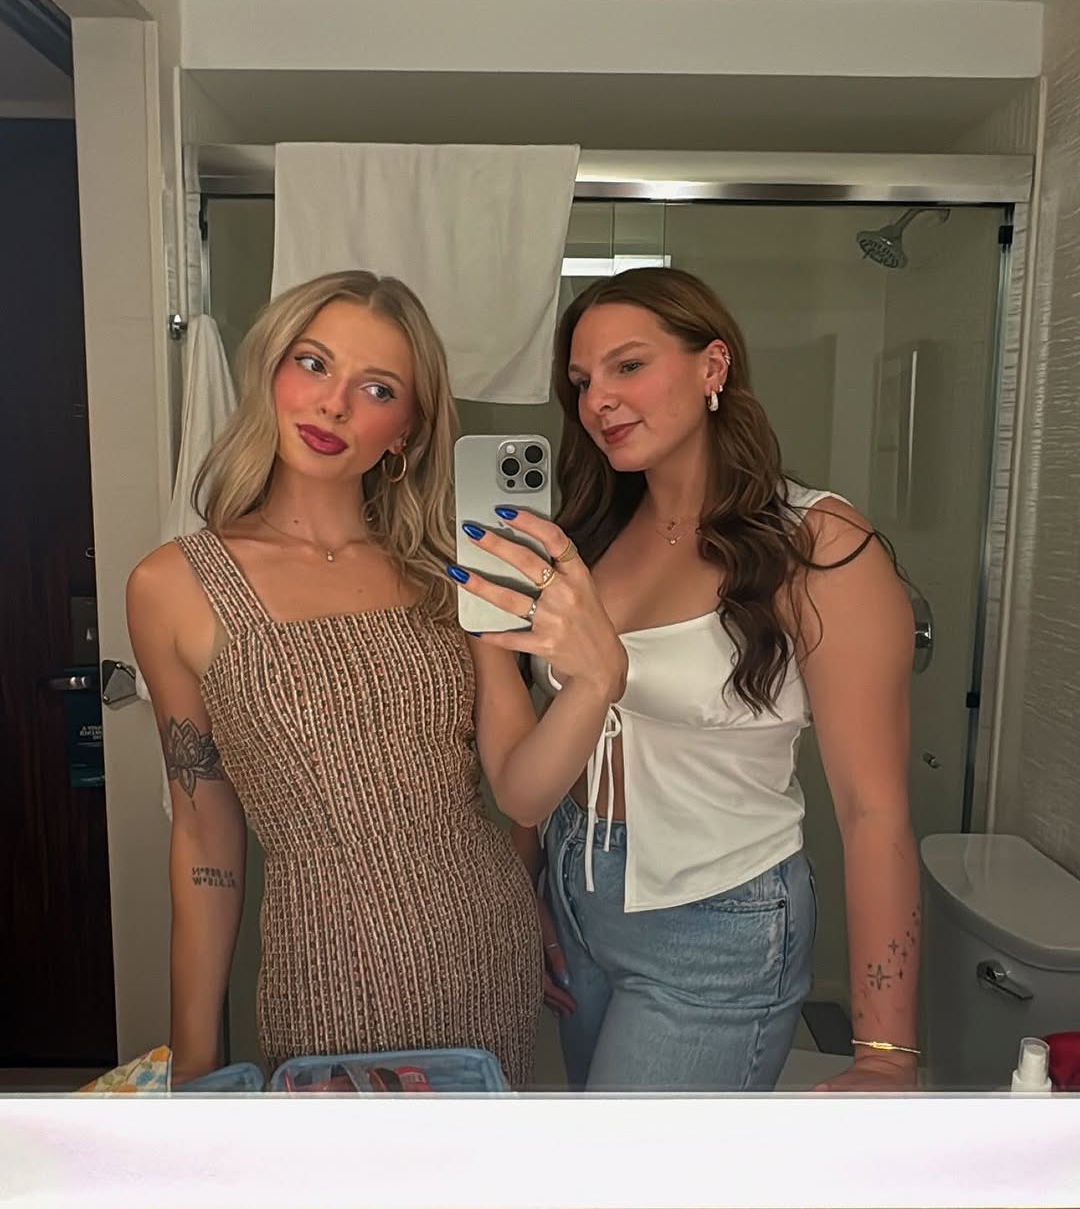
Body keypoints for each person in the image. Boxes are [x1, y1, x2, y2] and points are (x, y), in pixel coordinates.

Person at [126, 270, 626, 1089]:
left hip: (484, 950)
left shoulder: (449, 572)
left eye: (377, 388)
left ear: (406, 432)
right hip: (322, 967)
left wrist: (599, 680)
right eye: (313, 364)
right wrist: (194, 1056)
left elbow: (522, 793)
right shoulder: (172, 586)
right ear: (271, 372)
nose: (333, 405)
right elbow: (204, 833)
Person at [456, 267, 919, 1093]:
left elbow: (872, 809)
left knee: (638, 1163)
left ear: (713, 366)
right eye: (581, 381)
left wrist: (885, 1053)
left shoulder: (814, 543)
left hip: (717, 920)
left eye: (629, 366)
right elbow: (548, 743)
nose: (599, 400)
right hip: (577, 894)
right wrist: (533, 891)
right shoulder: (586, 535)